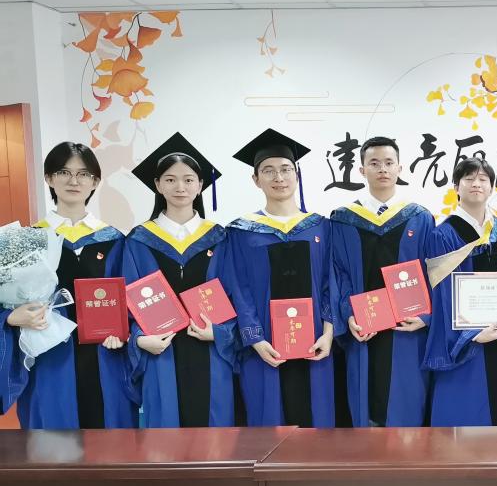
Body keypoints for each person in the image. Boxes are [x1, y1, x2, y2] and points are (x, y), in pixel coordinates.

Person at [0, 141, 134, 429]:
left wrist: (125, 333)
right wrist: (10, 317)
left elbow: (131, 300)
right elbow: (5, 302)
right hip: (49, 359)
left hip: (105, 357)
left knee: (110, 441)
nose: (74, 181)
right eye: (64, 172)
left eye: (83, 174)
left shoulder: (115, 240)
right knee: (52, 442)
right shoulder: (26, 240)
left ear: (95, 182)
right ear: (49, 178)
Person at [122, 133, 238, 427]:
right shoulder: (139, 240)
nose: (180, 187)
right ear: (158, 185)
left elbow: (236, 295)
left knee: (215, 437)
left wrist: (221, 333)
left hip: (211, 352)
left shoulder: (220, 237)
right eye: (170, 180)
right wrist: (140, 339)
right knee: (165, 436)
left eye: (188, 180)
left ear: (200, 186)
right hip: (161, 352)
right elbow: (127, 302)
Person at [221, 128, 335, 427]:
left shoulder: (321, 227)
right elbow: (238, 288)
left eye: (285, 169)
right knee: (269, 424)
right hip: (265, 345)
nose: (279, 177)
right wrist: (255, 338)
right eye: (268, 171)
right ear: (255, 179)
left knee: (316, 422)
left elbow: (330, 282)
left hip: (316, 341)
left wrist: (328, 333)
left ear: (297, 175)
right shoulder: (241, 231)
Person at [422, 158, 497, 426]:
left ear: (492, 187)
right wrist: (473, 334)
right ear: (456, 187)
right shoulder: (443, 234)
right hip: (466, 339)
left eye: (483, 179)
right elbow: (443, 294)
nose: (476, 184)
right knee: (467, 414)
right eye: (468, 179)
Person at [331, 136, 434, 427]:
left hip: (407, 331)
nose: (383, 169)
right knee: (366, 403)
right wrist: (349, 315)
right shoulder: (343, 219)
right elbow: (338, 274)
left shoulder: (420, 218)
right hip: (364, 329)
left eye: (389, 163)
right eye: (374, 163)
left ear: (400, 168)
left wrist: (426, 317)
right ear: (362, 170)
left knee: (408, 406)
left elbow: (433, 274)